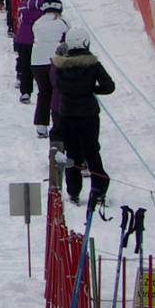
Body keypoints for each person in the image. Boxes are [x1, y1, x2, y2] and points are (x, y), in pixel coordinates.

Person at [50, 26, 116, 209]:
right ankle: (99, 189)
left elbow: (58, 86)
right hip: (88, 114)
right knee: (92, 152)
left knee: (72, 154)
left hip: (67, 114)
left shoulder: (60, 65)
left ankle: (73, 191)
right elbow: (109, 86)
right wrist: (93, 89)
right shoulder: (92, 64)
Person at [29, 0, 68, 136]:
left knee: (44, 92)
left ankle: (41, 125)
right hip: (56, 61)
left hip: (37, 61)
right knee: (58, 92)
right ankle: (58, 122)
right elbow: (67, 40)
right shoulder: (62, 22)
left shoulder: (37, 23)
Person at [12, 0, 50, 104]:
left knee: (25, 65)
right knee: (42, 64)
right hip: (37, 38)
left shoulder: (23, 2)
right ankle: (46, 89)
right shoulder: (45, 3)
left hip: (22, 38)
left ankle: (25, 92)